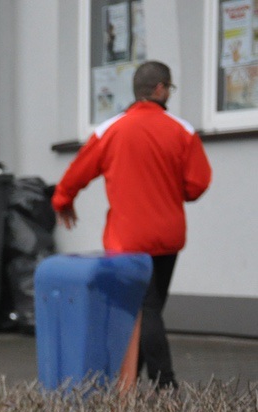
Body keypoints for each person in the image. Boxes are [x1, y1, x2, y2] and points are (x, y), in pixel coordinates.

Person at [52, 61, 212, 389]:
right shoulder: (182, 130)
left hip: (127, 239)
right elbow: (197, 184)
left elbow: (77, 173)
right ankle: (145, 383)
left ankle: (160, 384)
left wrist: (63, 201)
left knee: (142, 309)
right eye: (170, 88)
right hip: (167, 237)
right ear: (160, 89)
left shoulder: (111, 130)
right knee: (148, 308)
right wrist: (173, 190)